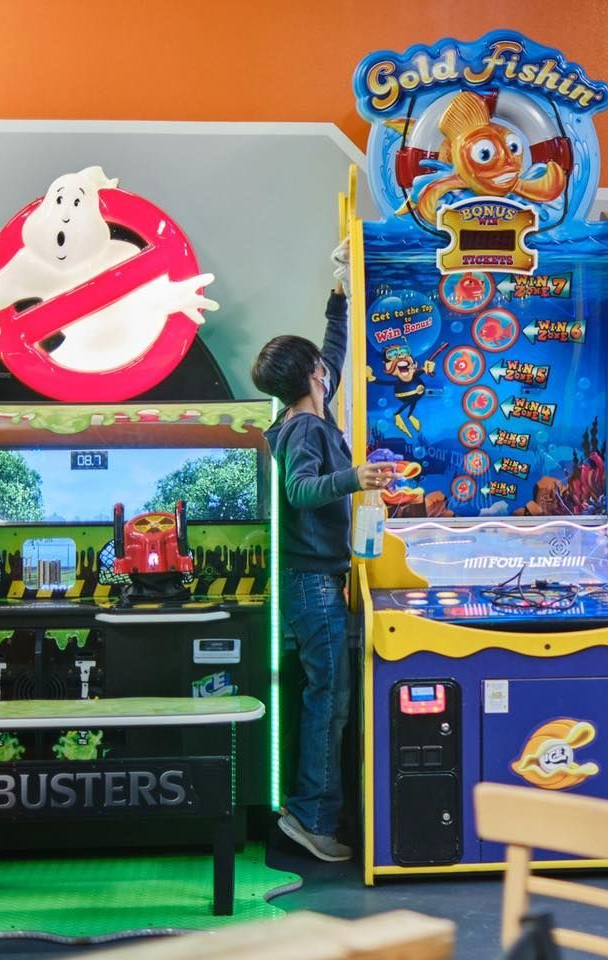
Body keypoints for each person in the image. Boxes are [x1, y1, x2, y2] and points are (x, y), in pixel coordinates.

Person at [251, 243, 391, 861]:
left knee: (325, 699)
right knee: (328, 704)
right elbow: (302, 490)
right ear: (312, 377)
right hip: (311, 583)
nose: (327, 369)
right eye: (320, 366)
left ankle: (311, 811)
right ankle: (312, 818)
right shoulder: (307, 429)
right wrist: (355, 479)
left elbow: (331, 353)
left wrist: (340, 294)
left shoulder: (300, 414)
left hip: (308, 581)